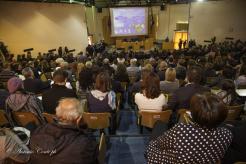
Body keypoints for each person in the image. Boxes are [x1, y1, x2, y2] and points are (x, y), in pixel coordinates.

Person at [146, 92, 232, 164]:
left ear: (193, 114)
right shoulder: (227, 134)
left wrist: (152, 145)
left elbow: (160, 144)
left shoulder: (182, 130)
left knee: (158, 128)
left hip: (175, 160)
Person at [29, 98, 98, 164]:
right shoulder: (84, 143)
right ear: (79, 119)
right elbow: (93, 153)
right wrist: (85, 128)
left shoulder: (38, 131)